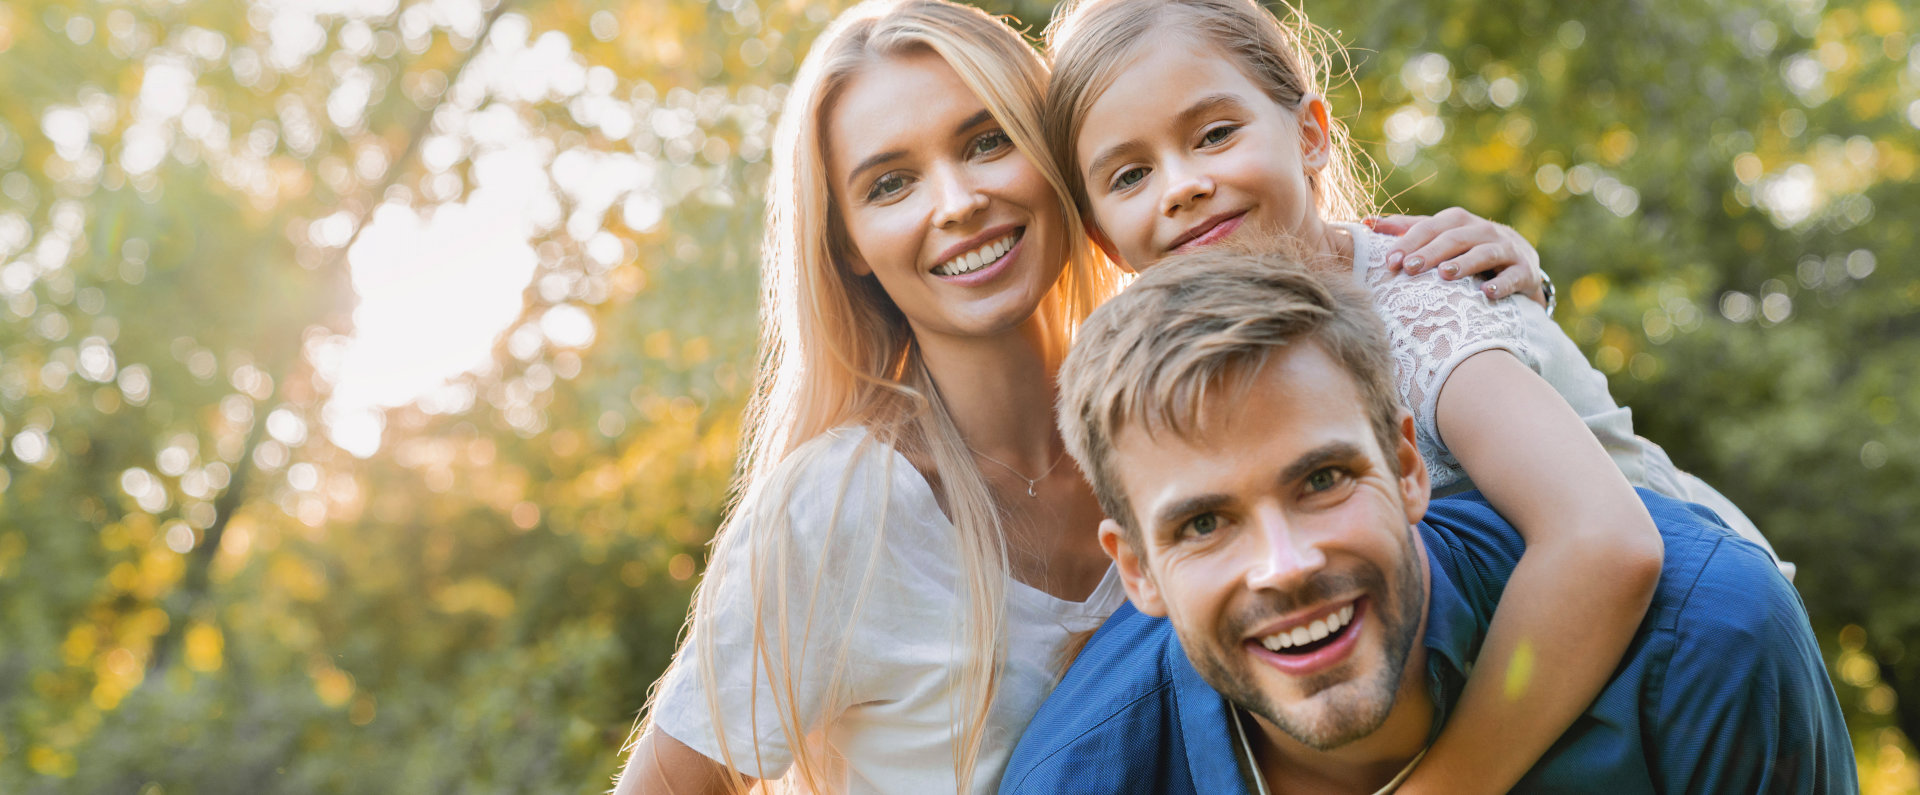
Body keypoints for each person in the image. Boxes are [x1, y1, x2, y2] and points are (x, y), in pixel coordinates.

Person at [613, 0, 1621, 791]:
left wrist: (1487, 288)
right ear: (848, 247)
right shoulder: (838, 513)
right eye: (890, 183)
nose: (958, 202)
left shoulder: (1182, 405)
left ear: (1064, 170)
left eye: (986, 141)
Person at [1004, 248, 1854, 793]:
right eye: (1202, 525)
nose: (1286, 563)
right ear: (1137, 569)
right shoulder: (1079, 774)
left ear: (1409, 467)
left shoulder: (1710, 645)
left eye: (1323, 480)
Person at [1042, 0, 1788, 579]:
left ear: (1309, 136)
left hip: (1701, 619)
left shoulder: (1421, 303)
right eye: (1131, 175)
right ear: (1103, 237)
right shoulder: (1177, 371)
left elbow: (1607, 541)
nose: (1182, 186)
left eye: (1214, 135)